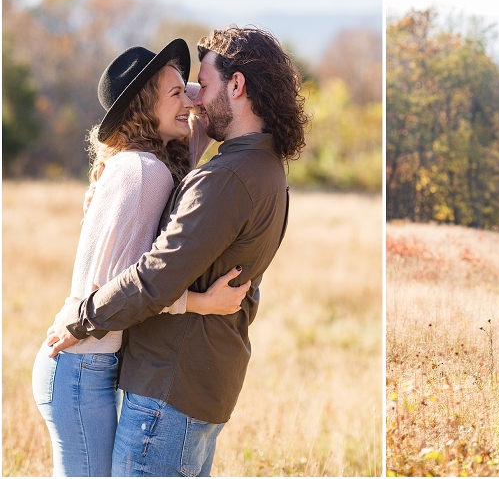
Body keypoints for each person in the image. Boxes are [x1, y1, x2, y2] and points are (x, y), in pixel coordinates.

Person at [45, 26, 308, 477]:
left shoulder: (224, 178)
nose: (195, 101)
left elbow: (154, 278)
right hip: (202, 381)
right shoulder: (266, 169)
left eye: (202, 86)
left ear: (238, 85)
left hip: (169, 386)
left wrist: (82, 317)